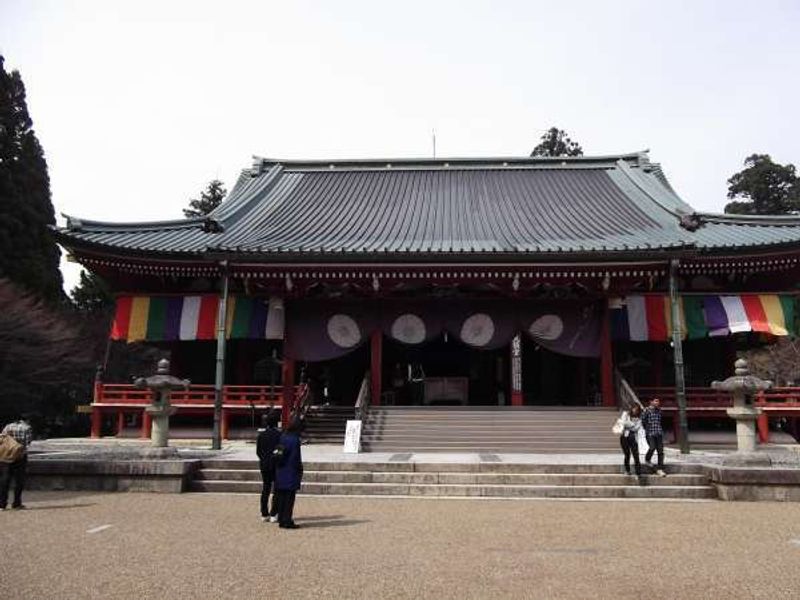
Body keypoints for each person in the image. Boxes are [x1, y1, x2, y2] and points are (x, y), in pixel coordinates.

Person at [273, 417, 304, 529]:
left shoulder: (283, 437)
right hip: (291, 471)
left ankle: (281, 518)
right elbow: (296, 458)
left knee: (281, 497)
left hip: (281, 470)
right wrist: (299, 469)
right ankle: (287, 520)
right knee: (289, 498)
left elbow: (278, 453)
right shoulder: (295, 440)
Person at [0, 414, 33, 510]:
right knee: (19, 480)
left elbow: (2, 439)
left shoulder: (8, 426)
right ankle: (16, 503)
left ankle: (2, 504)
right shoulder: (27, 428)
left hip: (7, 455)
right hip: (20, 456)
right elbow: (28, 442)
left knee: (5, 480)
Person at [255, 410, 281, 523]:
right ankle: (274, 513)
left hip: (264, 464)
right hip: (276, 465)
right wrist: (275, 458)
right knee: (276, 489)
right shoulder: (279, 435)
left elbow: (258, 451)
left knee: (265, 488)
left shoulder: (261, 435)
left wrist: (264, 458)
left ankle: (264, 513)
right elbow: (280, 451)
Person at [642, 398, 666, 477]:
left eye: (658, 401)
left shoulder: (659, 410)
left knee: (660, 451)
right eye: (655, 401)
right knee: (652, 447)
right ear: (651, 402)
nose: (657, 402)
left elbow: (660, 421)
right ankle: (647, 459)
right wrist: (647, 429)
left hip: (658, 432)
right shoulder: (646, 410)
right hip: (650, 433)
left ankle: (660, 468)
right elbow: (643, 421)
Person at [618, 405, 643, 479]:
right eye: (634, 408)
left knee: (636, 455)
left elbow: (636, 429)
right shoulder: (625, 414)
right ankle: (627, 470)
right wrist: (632, 424)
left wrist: (627, 424)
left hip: (633, 438)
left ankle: (638, 473)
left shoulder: (639, 419)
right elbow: (622, 423)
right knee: (627, 454)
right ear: (631, 408)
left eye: (637, 409)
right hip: (624, 437)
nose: (635, 410)